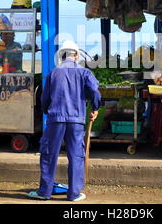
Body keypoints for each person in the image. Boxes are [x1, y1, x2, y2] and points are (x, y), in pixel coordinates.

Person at [28, 40, 101, 202]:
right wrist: (95, 108)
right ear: (76, 55)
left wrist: (47, 111)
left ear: (62, 56)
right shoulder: (84, 73)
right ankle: (74, 194)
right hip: (76, 121)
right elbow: (95, 91)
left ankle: (44, 193)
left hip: (55, 119)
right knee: (76, 155)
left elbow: (44, 98)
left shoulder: (54, 73)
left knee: (48, 154)